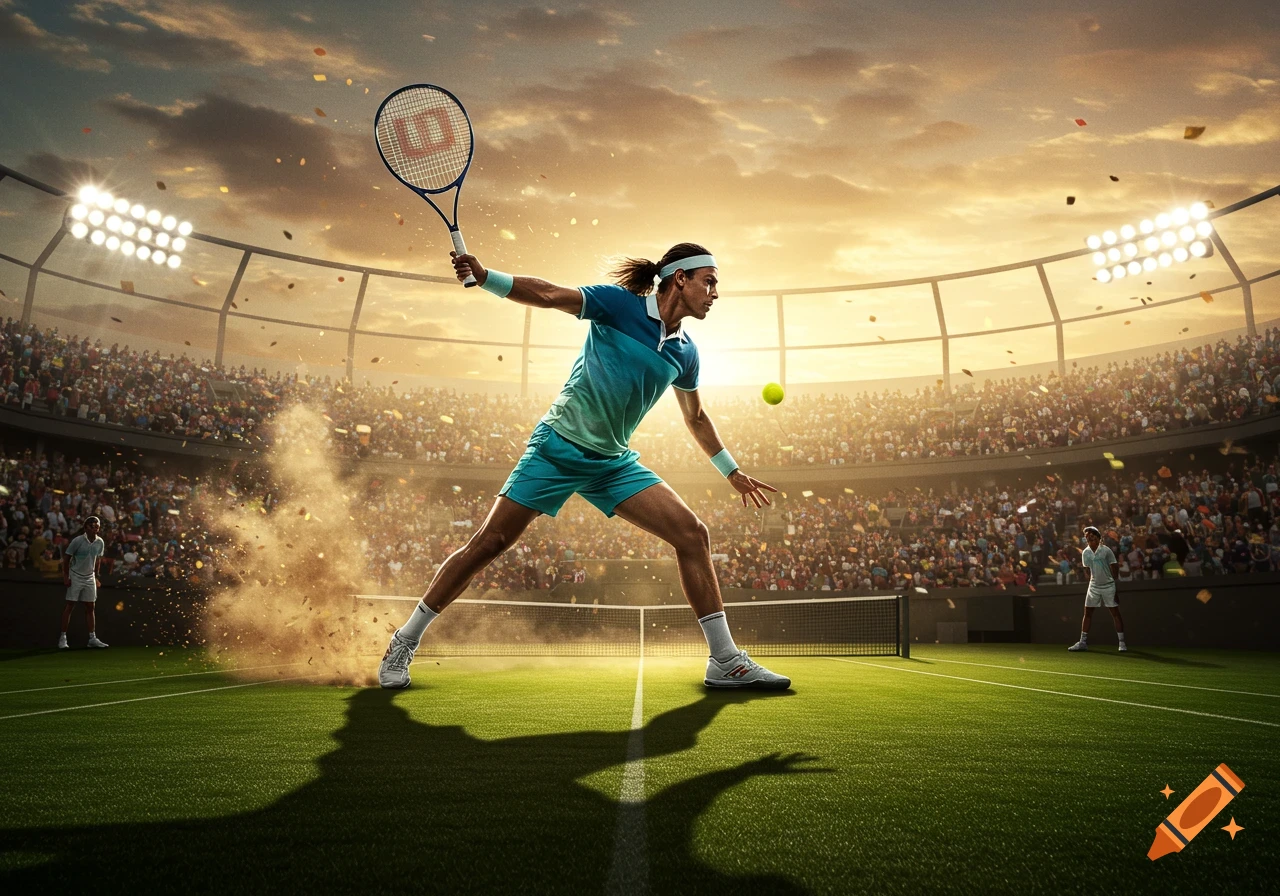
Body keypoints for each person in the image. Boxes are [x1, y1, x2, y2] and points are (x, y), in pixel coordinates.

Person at [378, 243, 789, 689]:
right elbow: (551, 295)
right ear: (680, 278)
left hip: (612, 463)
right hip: (557, 448)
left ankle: (725, 661)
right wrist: (487, 276)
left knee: (693, 535)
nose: (714, 293)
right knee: (489, 542)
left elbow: (696, 418)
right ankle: (404, 640)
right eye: (709, 281)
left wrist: (731, 471)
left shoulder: (686, 353)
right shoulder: (618, 306)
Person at [1068, 526, 1126, 652]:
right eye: (1087, 538)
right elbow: (1087, 570)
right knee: (1087, 613)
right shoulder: (1086, 553)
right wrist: (1092, 581)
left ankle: (1122, 643)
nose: (1089, 540)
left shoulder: (1107, 551)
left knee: (1115, 613)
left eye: (1092, 537)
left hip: (1109, 585)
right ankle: (1083, 642)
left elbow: (1115, 568)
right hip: (1093, 586)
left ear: (1099, 538)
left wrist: (1114, 586)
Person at [58, 516, 108, 649]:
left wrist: (96, 577)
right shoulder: (78, 541)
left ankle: (92, 638)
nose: (95, 529)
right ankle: (62, 638)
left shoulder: (100, 542)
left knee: (90, 606)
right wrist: (66, 576)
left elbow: (97, 560)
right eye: (92, 526)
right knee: (70, 605)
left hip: (90, 577)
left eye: (97, 527)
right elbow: (67, 558)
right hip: (75, 576)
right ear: (86, 527)